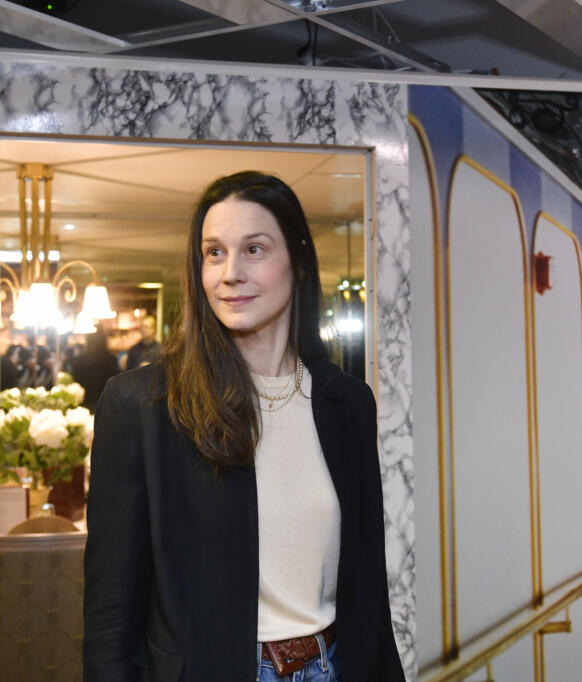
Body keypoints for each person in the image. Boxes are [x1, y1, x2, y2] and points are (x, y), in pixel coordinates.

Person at [82, 171, 405, 682]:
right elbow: (111, 606)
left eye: (254, 250)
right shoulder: (142, 404)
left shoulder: (348, 402)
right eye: (214, 253)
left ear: (299, 261)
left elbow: (368, 583)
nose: (230, 273)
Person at [69, 326, 120, 410]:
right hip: (105, 406)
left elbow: (76, 383)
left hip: (84, 406)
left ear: (88, 339)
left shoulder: (79, 361)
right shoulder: (111, 360)